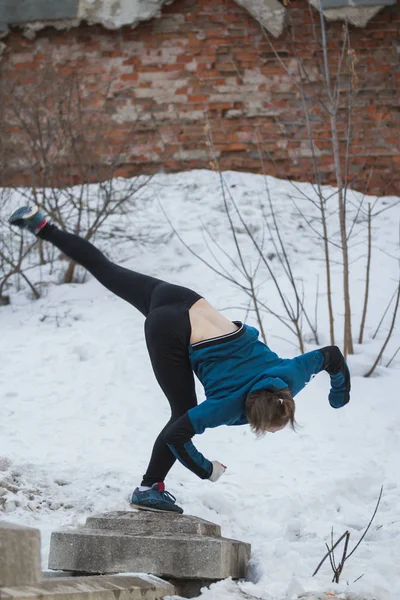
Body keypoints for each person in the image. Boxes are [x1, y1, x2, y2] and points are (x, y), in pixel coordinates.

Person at [8, 205, 351, 514]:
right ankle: (148, 487)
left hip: (184, 300)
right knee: (180, 412)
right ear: (252, 416)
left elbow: (332, 357)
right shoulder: (228, 407)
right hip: (171, 332)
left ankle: (42, 227)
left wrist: (339, 393)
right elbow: (177, 434)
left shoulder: (292, 374)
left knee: (106, 268)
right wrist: (207, 470)